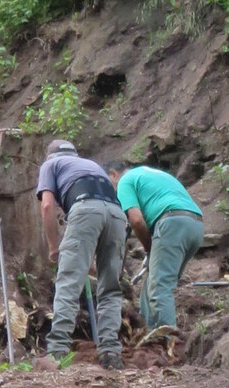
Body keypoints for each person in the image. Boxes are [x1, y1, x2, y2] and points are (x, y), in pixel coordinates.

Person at [37, 137, 124, 368]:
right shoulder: (92, 165)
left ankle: (57, 352)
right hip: (117, 213)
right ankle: (111, 352)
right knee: (110, 287)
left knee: (68, 282)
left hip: (85, 208)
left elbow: (47, 206)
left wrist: (54, 247)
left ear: (50, 156)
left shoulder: (50, 165)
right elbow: (103, 209)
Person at [115, 162, 204, 332]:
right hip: (195, 225)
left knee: (159, 288)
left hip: (172, 223)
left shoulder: (124, 181)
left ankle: (170, 339)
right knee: (152, 284)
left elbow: (136, 220)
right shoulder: (152, 174)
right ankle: (147, 332)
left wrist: (149, 247)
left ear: (113, 174)